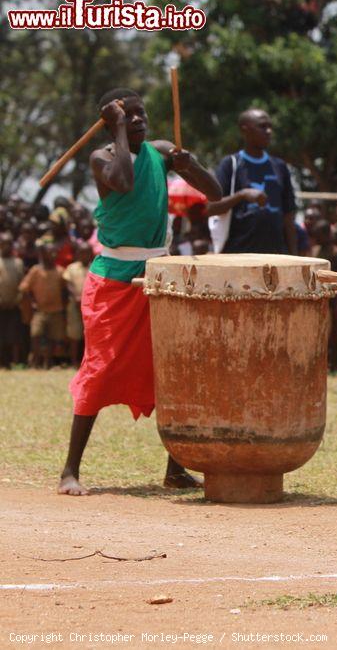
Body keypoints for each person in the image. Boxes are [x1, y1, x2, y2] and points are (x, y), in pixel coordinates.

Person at [59, 88, 221, 496]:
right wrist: (115, 129)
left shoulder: (162, 151)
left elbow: (214, 192)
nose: (137, 120)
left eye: (140, 114)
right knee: (101, 369)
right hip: (112, 277)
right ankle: (69, 471)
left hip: (156, 273)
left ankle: (175, 468)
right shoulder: (102, 159)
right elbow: (125, 184)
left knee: (171, 370)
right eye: (126, 116)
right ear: (110, 121)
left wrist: (191, 165)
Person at [204, 109, 297, 254]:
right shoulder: (230, 164)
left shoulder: (279, 166)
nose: (268, 131)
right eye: (262, 126)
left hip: (276, 257)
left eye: (270, 126)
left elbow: (288, 216)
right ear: (245, 130)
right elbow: (211, 208)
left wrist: (294, 257)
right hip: (239, 256)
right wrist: (241, 195)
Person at [18, 243, 65, 369]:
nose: (53, 255)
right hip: (40, 311)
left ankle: (47, 363)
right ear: (43, 254)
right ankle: (34, 362)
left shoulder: (59, 271)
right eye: (50, 252)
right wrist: (32, 302)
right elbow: (24, 288)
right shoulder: (36, 270)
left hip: (56, 311)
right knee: (36, 335)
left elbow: (64, 289)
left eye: (54, 252)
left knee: (52, 338)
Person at [62, 240, 93, 366]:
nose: (84, 255)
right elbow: (67, 283)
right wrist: (75, 296)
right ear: (78, 254)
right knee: (74, 334)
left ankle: (89, 362)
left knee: (90, 335)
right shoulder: (72, 268)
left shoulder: (95, 267)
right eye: (82, 253)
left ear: (91, 254)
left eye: (87, 253)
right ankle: (74, 361)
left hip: (92, 306)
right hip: (75, 305)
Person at [0, 231, 25, 367]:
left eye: (9, 244)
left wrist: (17, 300)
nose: (6, 246)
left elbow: (21, 284)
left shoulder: (18, 262)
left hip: (14, 305)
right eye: (3, 244)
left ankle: (15, 362)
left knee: (14, 336)